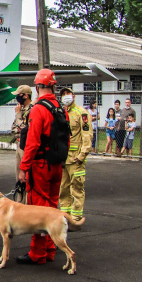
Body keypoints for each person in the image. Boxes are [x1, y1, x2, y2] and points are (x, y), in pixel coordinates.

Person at [17, 69, 68, 265]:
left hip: (40, 166)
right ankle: (50, 249)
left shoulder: (39, 109)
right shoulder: (60, 108)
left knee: (39, 211)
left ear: (37, 87)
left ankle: (37, 254)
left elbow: (32, 142)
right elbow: (67, 138)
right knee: (52, 208)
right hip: (56, 164)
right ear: (53, 86)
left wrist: (24, 167)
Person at [58, 87, 92, 224]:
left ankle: (76, 218)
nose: (66, 96)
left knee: (76, 188)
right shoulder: (61, 112)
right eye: (63, 94)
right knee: (63, 189)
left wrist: (82, 155)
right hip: (63, 159)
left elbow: (87, 135)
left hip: (76, 159)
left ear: (74, 95)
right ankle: (65, 216)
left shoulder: (81, 113)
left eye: (68, 93)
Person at [11, 85, 34, 183]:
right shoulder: (21, 109)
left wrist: (18, 115)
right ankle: (19, 199)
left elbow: (25, 129)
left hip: (26, 146)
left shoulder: (32, 110)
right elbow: (13, 128)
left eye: (19, 95)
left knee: (26, 178)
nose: (17, 98)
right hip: (19, 144)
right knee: (19, 180)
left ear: (26, 96)